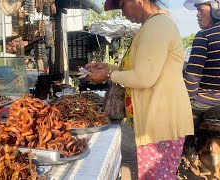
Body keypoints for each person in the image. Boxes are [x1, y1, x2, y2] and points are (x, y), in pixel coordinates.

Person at [86, 0, 194, 179]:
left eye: (122, 5)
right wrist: (107, 67)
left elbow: (143, 78)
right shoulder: (151, 26)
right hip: (155, 120)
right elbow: (136, 71)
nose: (122, 13)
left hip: (161, 121)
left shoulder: (157, 26)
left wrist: (108, 76)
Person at [183, 0, 220, 113]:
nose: (197, 14)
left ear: (216, 10)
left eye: (200, 10)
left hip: (208, 101)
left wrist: (184, 99)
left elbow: (192, 77)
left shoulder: (203, 36)